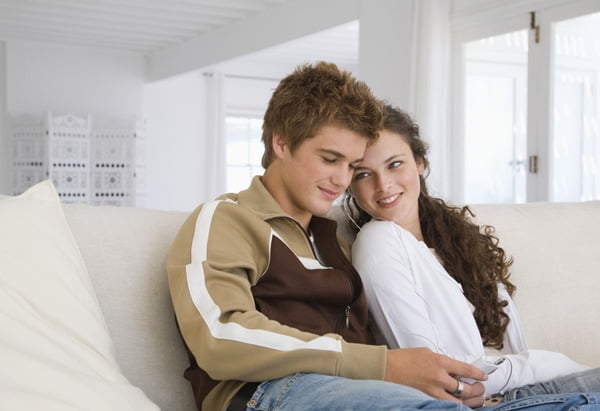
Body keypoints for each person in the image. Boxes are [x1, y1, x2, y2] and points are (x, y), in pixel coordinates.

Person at [167, 62, 600, 411]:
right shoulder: (228, 219)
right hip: (270, 393)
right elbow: (220, 336)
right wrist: (384, 365)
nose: (341, 180)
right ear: (281, 143)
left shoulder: (333, 240)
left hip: (367, 390)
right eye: (330, 159)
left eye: (350, 166)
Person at [346, 104, 600, 404]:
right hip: (509, 397)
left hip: (532, 389)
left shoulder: (454, 239)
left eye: (395, 164)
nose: (383, 184)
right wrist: (545, 364)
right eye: (363, 174)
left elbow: (511, 349)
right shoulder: (378, 242)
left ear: (420, 163)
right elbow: (444, 376)